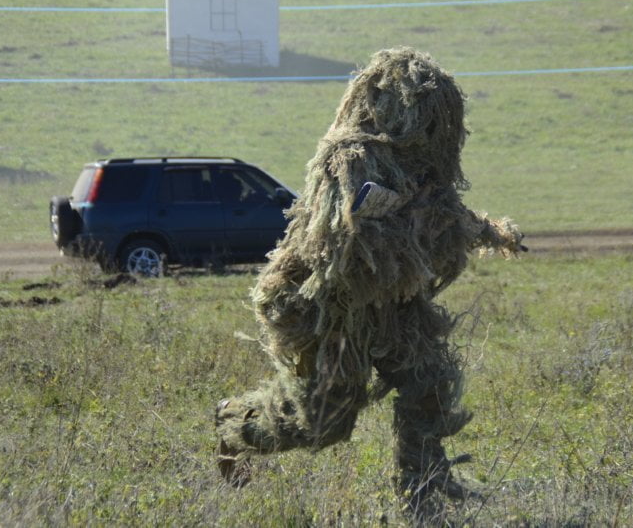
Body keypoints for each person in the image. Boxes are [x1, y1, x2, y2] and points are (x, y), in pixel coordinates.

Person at [215, 47, 524, 509]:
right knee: (324, 421)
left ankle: (422, 492)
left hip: (396, 304)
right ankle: (235, 424)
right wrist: (406, 220)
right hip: (334, 308)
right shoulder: (349, 157)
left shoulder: (424, 167)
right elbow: (335, 241)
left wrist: (490, 232)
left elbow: (445, 212)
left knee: (429, 384)